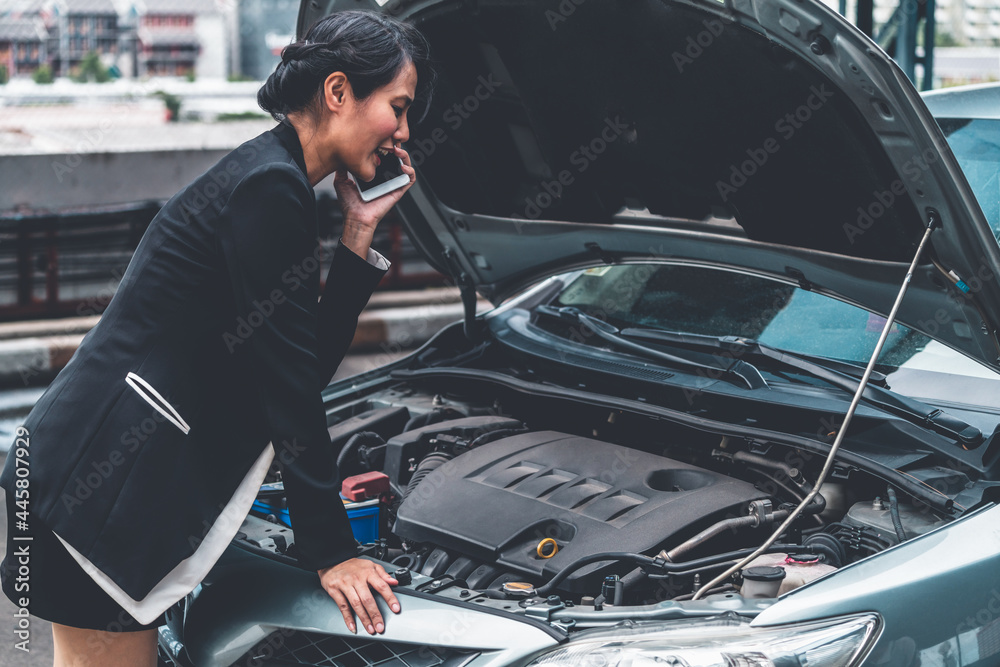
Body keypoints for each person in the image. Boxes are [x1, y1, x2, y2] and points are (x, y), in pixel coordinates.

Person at [0, 10, 435, 666]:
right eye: (398, 107)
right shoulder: (269, 189)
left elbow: (296, 364)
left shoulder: (273, 177)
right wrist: (334, 551)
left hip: (86, 485)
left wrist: (357, 231)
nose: (403, 131)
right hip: (94, 497)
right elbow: (291, 392)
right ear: (339, 92)